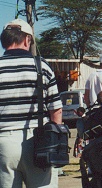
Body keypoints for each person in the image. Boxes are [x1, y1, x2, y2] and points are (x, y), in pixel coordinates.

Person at [0, 18, 63, 187]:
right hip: (38, 142)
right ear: (27, 39)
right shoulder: (41, 67)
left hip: (3, 143)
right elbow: (56, 110)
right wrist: (55, 141)